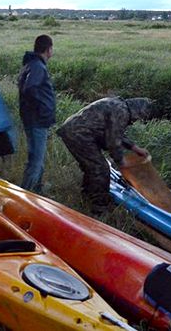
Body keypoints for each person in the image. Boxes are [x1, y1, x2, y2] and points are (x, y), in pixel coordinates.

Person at [56, 96, 153, 214]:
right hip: (78, 134)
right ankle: (99, 207)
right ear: (137, 111)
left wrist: (135, 148)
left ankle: (87, 195)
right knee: (101, 169)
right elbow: (113, 142)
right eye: (139, 117)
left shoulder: (118, 104)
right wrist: (122, 163)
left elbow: (114, 133)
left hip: (74, 131)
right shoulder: (122, 112)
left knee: (92, 167)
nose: (135, 121)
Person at [18, 35, 56, 192]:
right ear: (48, 49)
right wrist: (42, 108)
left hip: (34, 119)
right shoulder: (38, 67)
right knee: (36, 161)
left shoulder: (32, 64)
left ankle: (37, 191)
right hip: (37, 120)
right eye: (52, 48)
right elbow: (30, 88)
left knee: (37, 159)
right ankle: (24, 196)